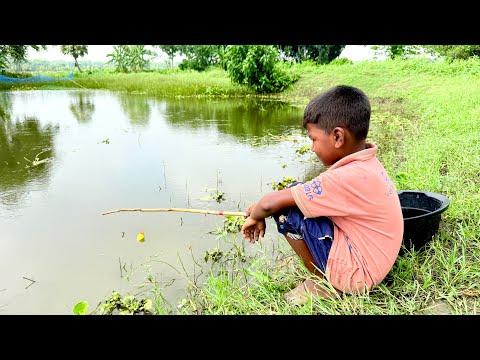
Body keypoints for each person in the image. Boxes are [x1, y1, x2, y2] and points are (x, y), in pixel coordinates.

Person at [240, 85, 404, 305]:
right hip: (374, 261)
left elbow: (270, 204)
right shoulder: (365, 164)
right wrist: (259, 209)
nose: (312, 148)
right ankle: (327, 276)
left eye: (313, 139)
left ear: (337, 136)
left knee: (286, 211)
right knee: (297, 192)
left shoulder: (344, 177)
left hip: (358, 274)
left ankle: (324, 283)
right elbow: (297, 193)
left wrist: (256, 214)